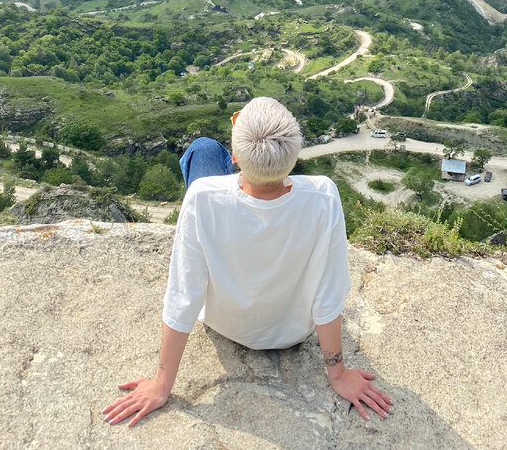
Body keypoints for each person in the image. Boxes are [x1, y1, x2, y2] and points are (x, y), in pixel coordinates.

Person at [103, 97, 393, 427]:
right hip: (292, 333)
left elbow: (184, 296)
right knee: (207, 152)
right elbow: (329, 296)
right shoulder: (324, 196)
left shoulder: (202, 197)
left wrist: (161, 384)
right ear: (293, 156)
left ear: (235, 156)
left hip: (225, 325)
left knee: (203, 149)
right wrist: (338, 374)